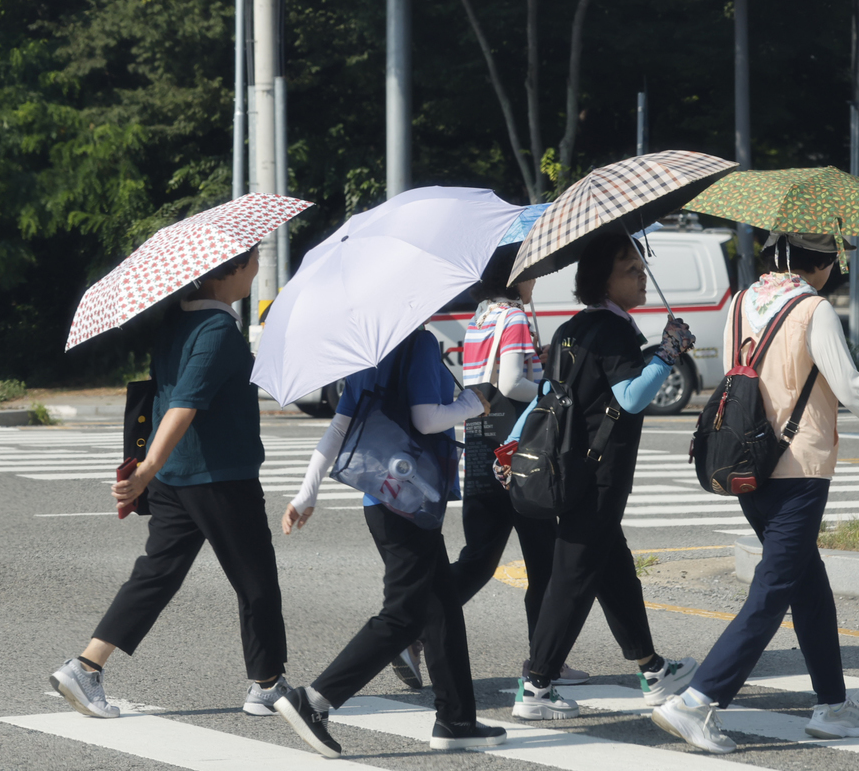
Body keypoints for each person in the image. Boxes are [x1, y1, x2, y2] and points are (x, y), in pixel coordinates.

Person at [651, 233, 859, 754]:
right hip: (798, 469)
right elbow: (851, 388)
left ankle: (832, 705)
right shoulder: (813, 309)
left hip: (745, 461)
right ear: (824, 263)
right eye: (835, 260)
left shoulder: (741, 302)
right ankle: (696, 701)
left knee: (808, 588)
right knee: (772, 592)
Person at [51, 246, 291, 720]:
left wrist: (151, 470)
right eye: (253, 260)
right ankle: (267, 684)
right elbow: (184, 404)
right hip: (218, 476)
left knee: (156, 575)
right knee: (256, 581)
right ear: (230, 270)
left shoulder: (176, 320)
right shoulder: (217, 329)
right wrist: (143, 471)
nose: (257, 267)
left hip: (175, 478)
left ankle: (86, 666)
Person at [275, 326, 505, 757]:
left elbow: (340, 427)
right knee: (404, 614)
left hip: (380, 499)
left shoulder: (369, 349)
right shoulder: (419, 342)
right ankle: (315, 699)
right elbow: (426, 418)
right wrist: (472, 403)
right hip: (409, 499)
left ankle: (456, 719)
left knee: (441, 608)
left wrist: (307, 492)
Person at [506, 230, 700, 720]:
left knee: (615, 572)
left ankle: (653, 669)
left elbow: (546, 396)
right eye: (629, 269)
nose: (641, 276)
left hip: (569, 468)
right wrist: (668, 353)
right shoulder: (615, 332)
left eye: (640, 267)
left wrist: (513, 443)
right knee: (572, 578)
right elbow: (630, 397)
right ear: (603, 279)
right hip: (599, 475)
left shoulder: (569, 329)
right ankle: (537, 685)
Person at [451, 247, 588, 685]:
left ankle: (413, 628)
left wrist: (535, 363)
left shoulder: (480, 318)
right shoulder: (512, 317)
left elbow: (492, 378)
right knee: (544, 561)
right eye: (530, 273)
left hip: (480, 445)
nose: (535, 280)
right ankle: (545, 661)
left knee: (478, 558)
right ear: (513, 278)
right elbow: (512, 384)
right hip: (518, 454)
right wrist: (553, 391)